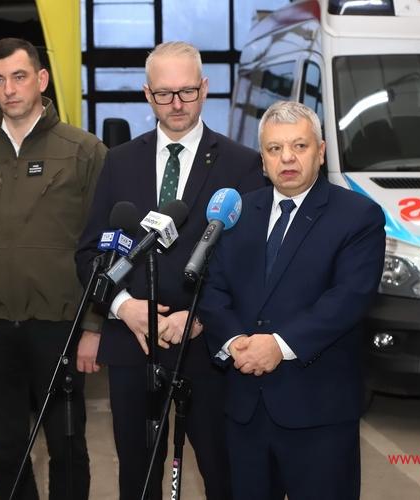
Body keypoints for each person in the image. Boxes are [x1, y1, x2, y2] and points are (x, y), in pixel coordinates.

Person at [75, 41, 265, 500]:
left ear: (205, 88)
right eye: (164, 93)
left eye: (186, 92)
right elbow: (90, 254)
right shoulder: (119, 162)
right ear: (147, 94)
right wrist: (125, 308)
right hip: (132, 346)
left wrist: (199, 317)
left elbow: (252, 263)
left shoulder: (242, 164)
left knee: (223, 472)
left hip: (208, 347)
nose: (176, 104)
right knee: (137, 478)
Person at [0, 38, 106, 500]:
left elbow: (106, 247)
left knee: (67, 445)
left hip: (60, 326)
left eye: (19, 76)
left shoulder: (84, 152)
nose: (9, 89)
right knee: (5, 448)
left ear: (41, 80)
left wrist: (95, 325)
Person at [198, 100, 386, 500]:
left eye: (299, 146)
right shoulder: (237, 213)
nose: (287, 158)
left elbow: (349, 298)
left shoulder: (358, 216)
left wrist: (278, 346)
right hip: (245, 408)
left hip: (319, 411)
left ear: (321, 152)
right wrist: (235, 342)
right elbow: (212, 290)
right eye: (274, 148)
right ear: (263, 160)